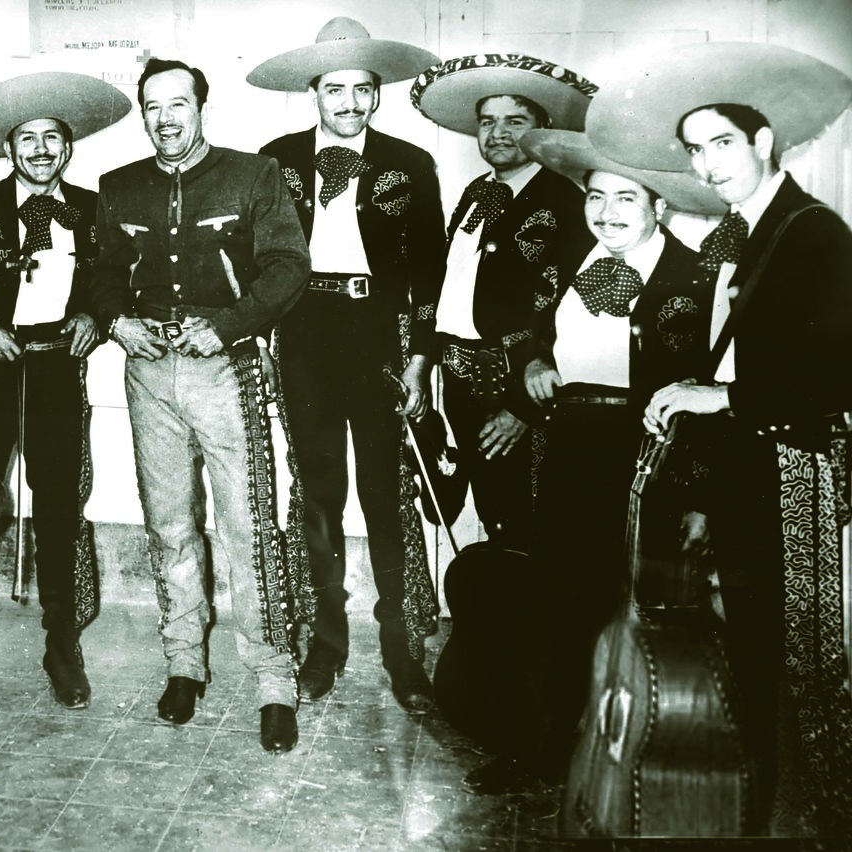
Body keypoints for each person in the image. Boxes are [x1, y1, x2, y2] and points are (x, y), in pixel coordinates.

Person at [591, 42, 852, 839]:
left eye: (722, 144)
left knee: (798, 657)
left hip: (796, 467)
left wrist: (718, 394)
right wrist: (694, 400)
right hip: (749, 464)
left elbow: (835, 378)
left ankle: (825, 815)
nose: (706, 164)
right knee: (750, 645)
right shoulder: (754, 228)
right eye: (695, 150)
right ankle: (763, 808)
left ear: (763, 140)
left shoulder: (814, 232)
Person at [490, 129, 720, 794]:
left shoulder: (691, 279)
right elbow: (533, 329)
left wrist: (700, 496)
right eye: (597, 196)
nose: (609, 211)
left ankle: (620, 766)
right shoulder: (569, 256)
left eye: (627, 197)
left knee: (628, 614)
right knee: (556, 605)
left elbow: (704, 392)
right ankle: (541, 753)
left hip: (648, 461)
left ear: (658, 206)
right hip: (570, 449)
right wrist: (534, 362)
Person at [90, 57, 310, 752]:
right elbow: (97, 272)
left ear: (200, 106)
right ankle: (184, 664)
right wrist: (115, 321)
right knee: (169, 527)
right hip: (150, 375)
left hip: (228, 371)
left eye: (178, 103)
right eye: (153, 106)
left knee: (249, 528)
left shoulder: (254, 175)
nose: (165, 118)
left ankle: (274, 680)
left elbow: (287, 266)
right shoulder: (118, 187)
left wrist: (229, 324)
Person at [248, 17, 444, 713]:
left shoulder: (411, 164)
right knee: (319, 497)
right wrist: (264, 344)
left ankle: (403, 648)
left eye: (364, 90)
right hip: (304, 332)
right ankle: (324, 644)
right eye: (337, 90)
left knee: (387, 495)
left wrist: (421, 360)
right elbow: (258, 266)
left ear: (377, 94)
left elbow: (431, 270)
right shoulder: (273, 161)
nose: (352, 103)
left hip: (378, 333)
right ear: (314, 93)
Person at [0, 73, 131, 711]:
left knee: (57, 513)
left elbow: (111, 283)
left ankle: (62, 648)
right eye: (28, 139)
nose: (41, 149)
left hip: (55, 372)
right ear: (8, 149)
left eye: (53, 138)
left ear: (68, 149)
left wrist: (94, 319)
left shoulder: (95, 209)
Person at [410, 54, 596, 550]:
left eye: (515, 121)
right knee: (494, 512)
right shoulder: (476, 192)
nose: (498, 133)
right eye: (488, 122)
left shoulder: (568, 202)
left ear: (543, 128)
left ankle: (530, 629)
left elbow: (576, 310)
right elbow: (449, 288)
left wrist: (523, 408)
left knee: (532, 517)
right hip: (461, 379)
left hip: (522, 389)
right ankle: (499, 623)